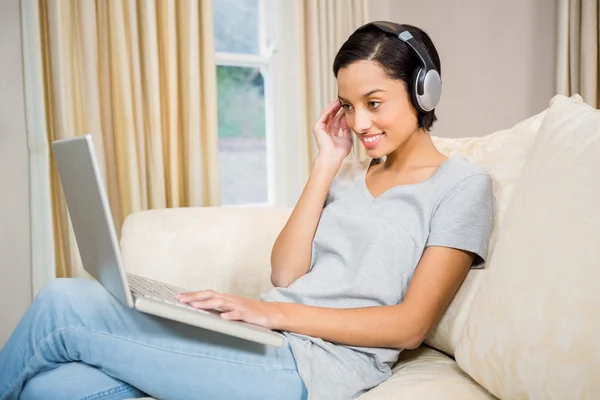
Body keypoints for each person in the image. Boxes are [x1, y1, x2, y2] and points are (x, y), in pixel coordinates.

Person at [0, 21, 493, 400]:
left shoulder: (461, 185)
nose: (359, 122)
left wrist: (271, 313)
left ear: (423, 90)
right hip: (269, 338)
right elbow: (286, 270)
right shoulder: (347, 173)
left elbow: (409, 324)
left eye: (374, 102)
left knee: (63, 303)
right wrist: (326, 163)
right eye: (347, 105)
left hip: (316, 365)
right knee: (56, 387)